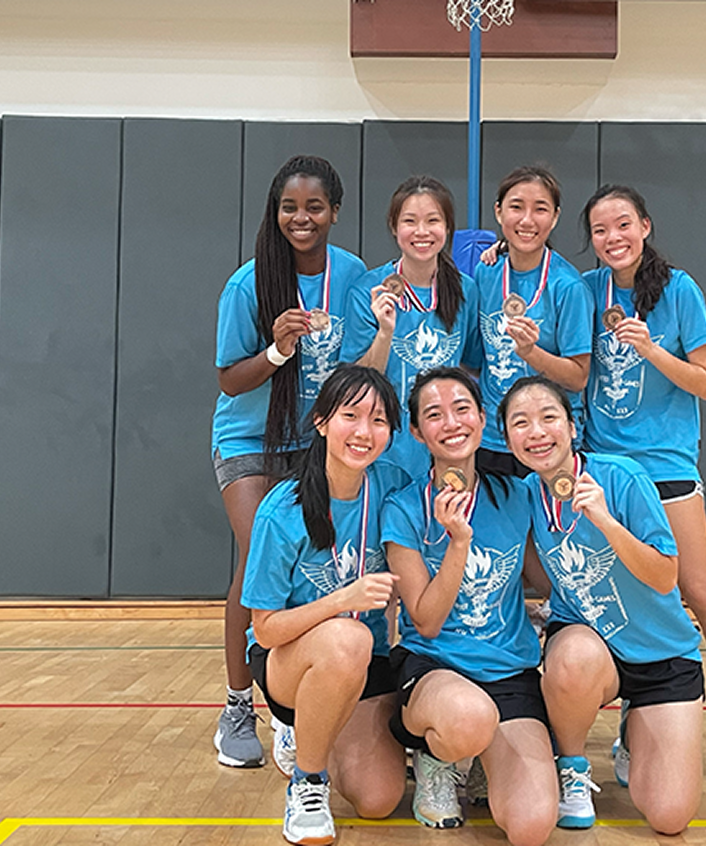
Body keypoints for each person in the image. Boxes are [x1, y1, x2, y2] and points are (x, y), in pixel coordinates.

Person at [581, 184, 706, 788]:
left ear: (645, 225)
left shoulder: (679, 289)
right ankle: (632, 727)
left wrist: (650, 350)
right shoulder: (585, 290)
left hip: (665, 465)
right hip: (604, 468)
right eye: (599, 230)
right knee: (618, 601)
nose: (612, 238)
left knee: (697, 587)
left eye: (623, 225)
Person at [212, 155, 366, 770]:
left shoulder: (352, 273)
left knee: (310, 572)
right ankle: (235, 705)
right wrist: (278, 349)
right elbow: (228, 379)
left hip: (312, 441)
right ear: (275, 212)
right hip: (250, 440)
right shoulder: (248, 282)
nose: (300, 218)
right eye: (289, 207)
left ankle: (294, 708)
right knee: (258, 563)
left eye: (313, 206)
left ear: (334, 211)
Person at [501, 375, 704, 836]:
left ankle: (634, 730)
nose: (536, 432)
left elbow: (665, 575)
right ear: (508, 438)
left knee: (669, 816)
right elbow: (532, 574)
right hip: (592, 648)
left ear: (572, 427)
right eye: (521, 423)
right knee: (571, 655)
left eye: (549, 418)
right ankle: (572, 766)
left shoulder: (621, 476)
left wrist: (606, 522)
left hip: (662, 654)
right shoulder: (527, 496)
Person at [381, 367, 558, 844]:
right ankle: (438, 758)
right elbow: (427, 619)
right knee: (467, 718)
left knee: (531, 825)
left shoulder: (517, 495)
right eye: (434, 415)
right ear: (417, 432)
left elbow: (544, 577)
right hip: (437, 670)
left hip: (509, 674)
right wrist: (458, 544)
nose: (452, 423)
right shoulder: (402, 508)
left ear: (483, 419)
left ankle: (480, 759)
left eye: (462, 409)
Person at [241, 364, 409, 846]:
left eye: (378, 421)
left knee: (377, 800)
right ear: (320, 421)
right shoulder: (283, 508)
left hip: (364, 659)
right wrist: (343, 600)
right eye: (350, 416)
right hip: (287, 657)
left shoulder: (392, 486)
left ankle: (324, 726)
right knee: (347, 636)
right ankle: (307, 780)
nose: (364, 432)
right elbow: (267, 629)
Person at [341, 176, 477, 478]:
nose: (422, 231)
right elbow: (357, 383)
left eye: (433, 220)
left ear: (448, 227)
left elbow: (473, 363)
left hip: (445, 447)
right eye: (410, 221)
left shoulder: (466, 290)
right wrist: (385, 333)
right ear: (394, 226)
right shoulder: (368, 291)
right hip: (384, 452)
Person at [471, 165, 593, 478]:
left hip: (548, 440)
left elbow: (578, 378)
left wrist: (531, 353)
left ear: (554, 217)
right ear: (498, 213)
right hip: (493, 439)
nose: (527, 220)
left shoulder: (568, 287)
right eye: (516, 207)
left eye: (540, 209)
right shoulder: (486, 272)